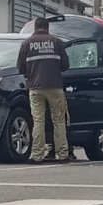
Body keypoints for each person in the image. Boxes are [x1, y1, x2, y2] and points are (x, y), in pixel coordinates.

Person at [17, 17, 71, 163]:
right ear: (47, 27)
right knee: (59, 120)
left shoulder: (26, 44)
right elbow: (66, 66)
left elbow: (20, 68)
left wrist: (31, 73)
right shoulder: (56, 42)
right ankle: (63, 154)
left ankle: (37, 155)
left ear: (35, 27)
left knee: (38, 121)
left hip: (35, 87)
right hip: (55, 86)